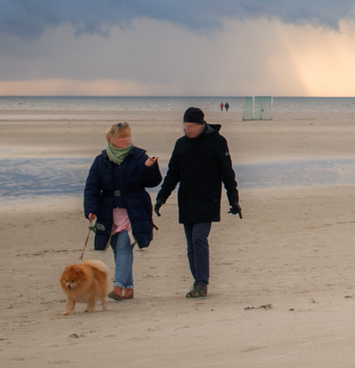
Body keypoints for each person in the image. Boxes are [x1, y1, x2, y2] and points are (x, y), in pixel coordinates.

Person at [154, 106, 241, 299]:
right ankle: (197, 281)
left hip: (208, 199)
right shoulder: (181, 144)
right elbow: (172, 174)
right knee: (190, 245)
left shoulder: (218, 142)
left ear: (201, 124)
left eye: (191, 126)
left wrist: (233, 199)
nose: (188, 130)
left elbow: (227, 173)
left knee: (199, 239)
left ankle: (202, 282)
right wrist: (161, 198)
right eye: (185, 126)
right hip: (186, 200)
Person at [82, 122, 161, 300]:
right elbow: (92, 187)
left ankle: (118, 287)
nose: (126, 140)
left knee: (124, 247)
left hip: (134, 210)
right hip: (109, 211)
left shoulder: (140, 156)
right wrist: (90, 209)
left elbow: (152, 182)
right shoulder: (101, 160)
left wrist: (151, 168)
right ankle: (129, 288)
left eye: (128, 136)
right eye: (122, 137)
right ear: (112, 140)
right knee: (117, 249)